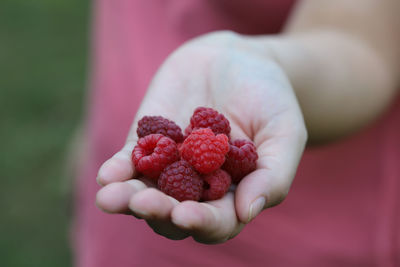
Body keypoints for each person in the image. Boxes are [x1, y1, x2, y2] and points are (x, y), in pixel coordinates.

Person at [73, 0, 400, 266]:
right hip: (128, 227)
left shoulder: (210, 160)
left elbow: (358, 42)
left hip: (298, 240)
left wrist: (270, 63)